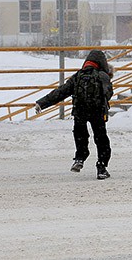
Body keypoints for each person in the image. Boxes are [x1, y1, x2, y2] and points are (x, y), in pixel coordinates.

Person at [35, 50, 114, 180]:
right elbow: (108, 94)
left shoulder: (78, 76)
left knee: (80, 136)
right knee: (101, 139)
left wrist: (41, 103)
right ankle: (101, 167)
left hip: (80, 112)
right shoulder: (102, 76)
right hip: (97, 112)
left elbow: (61, 92)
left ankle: (79, 158)